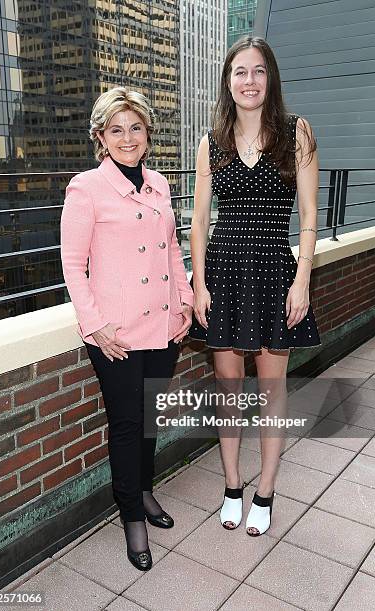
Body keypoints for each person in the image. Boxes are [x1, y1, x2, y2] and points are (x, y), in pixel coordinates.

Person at [189, 36, 321, 537]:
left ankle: (265, 491)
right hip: (223, 273)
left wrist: (302, 277)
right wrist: (199, 284)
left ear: (272, 78)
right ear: (228, 81)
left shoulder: (297, 133)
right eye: (240, 71)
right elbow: (199, 224)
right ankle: (231, 485)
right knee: (228, 388)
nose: (250, 81)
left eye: (259, 71)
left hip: (275, 271)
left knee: (270, 390)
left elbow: (308, 216)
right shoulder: (210, 142)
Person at [60, 87, 193, 571]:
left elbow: (172, 250)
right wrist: (95, 326)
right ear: (101, 137)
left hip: (163, 324)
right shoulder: (85, 188)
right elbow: (73, 265)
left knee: (151, 417)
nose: (127, 137)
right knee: (127, 424)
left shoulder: (159, 184)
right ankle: (131, 516)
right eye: (116, 129)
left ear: (148, 134)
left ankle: (145, 491)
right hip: (114, 333)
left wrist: (185, 300)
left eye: (135, 127)